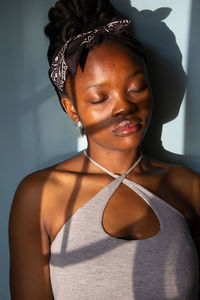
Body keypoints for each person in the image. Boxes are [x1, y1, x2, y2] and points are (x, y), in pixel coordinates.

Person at [9, 0, 200, 299]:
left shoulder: (189, 188)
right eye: (100, 98)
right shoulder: (40, 195)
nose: (124, 106)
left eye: (137, 88)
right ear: (72, 109)